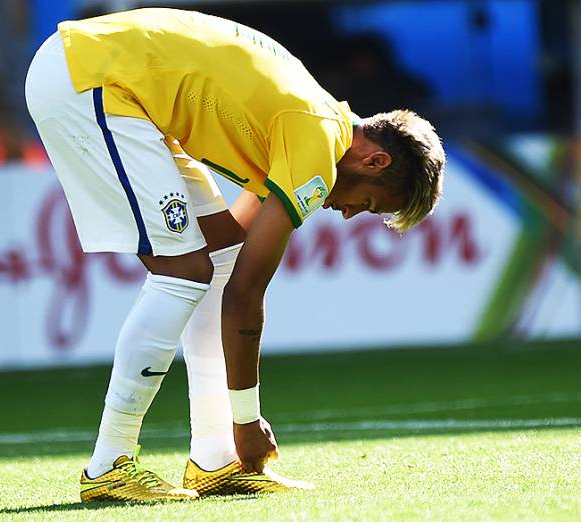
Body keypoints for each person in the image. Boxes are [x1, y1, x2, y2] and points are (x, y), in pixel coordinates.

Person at [25, 8, 445, 502]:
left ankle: (215, 460)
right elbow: (247, 296)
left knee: (213, 265)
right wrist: (248, 419)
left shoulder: (317, 124)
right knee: (185, 271)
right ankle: (109, 464)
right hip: (89, 77)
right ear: (375, 161)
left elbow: (230, 246)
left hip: (107, 80)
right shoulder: (314, 139)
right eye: (369, 204)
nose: (349, 215)